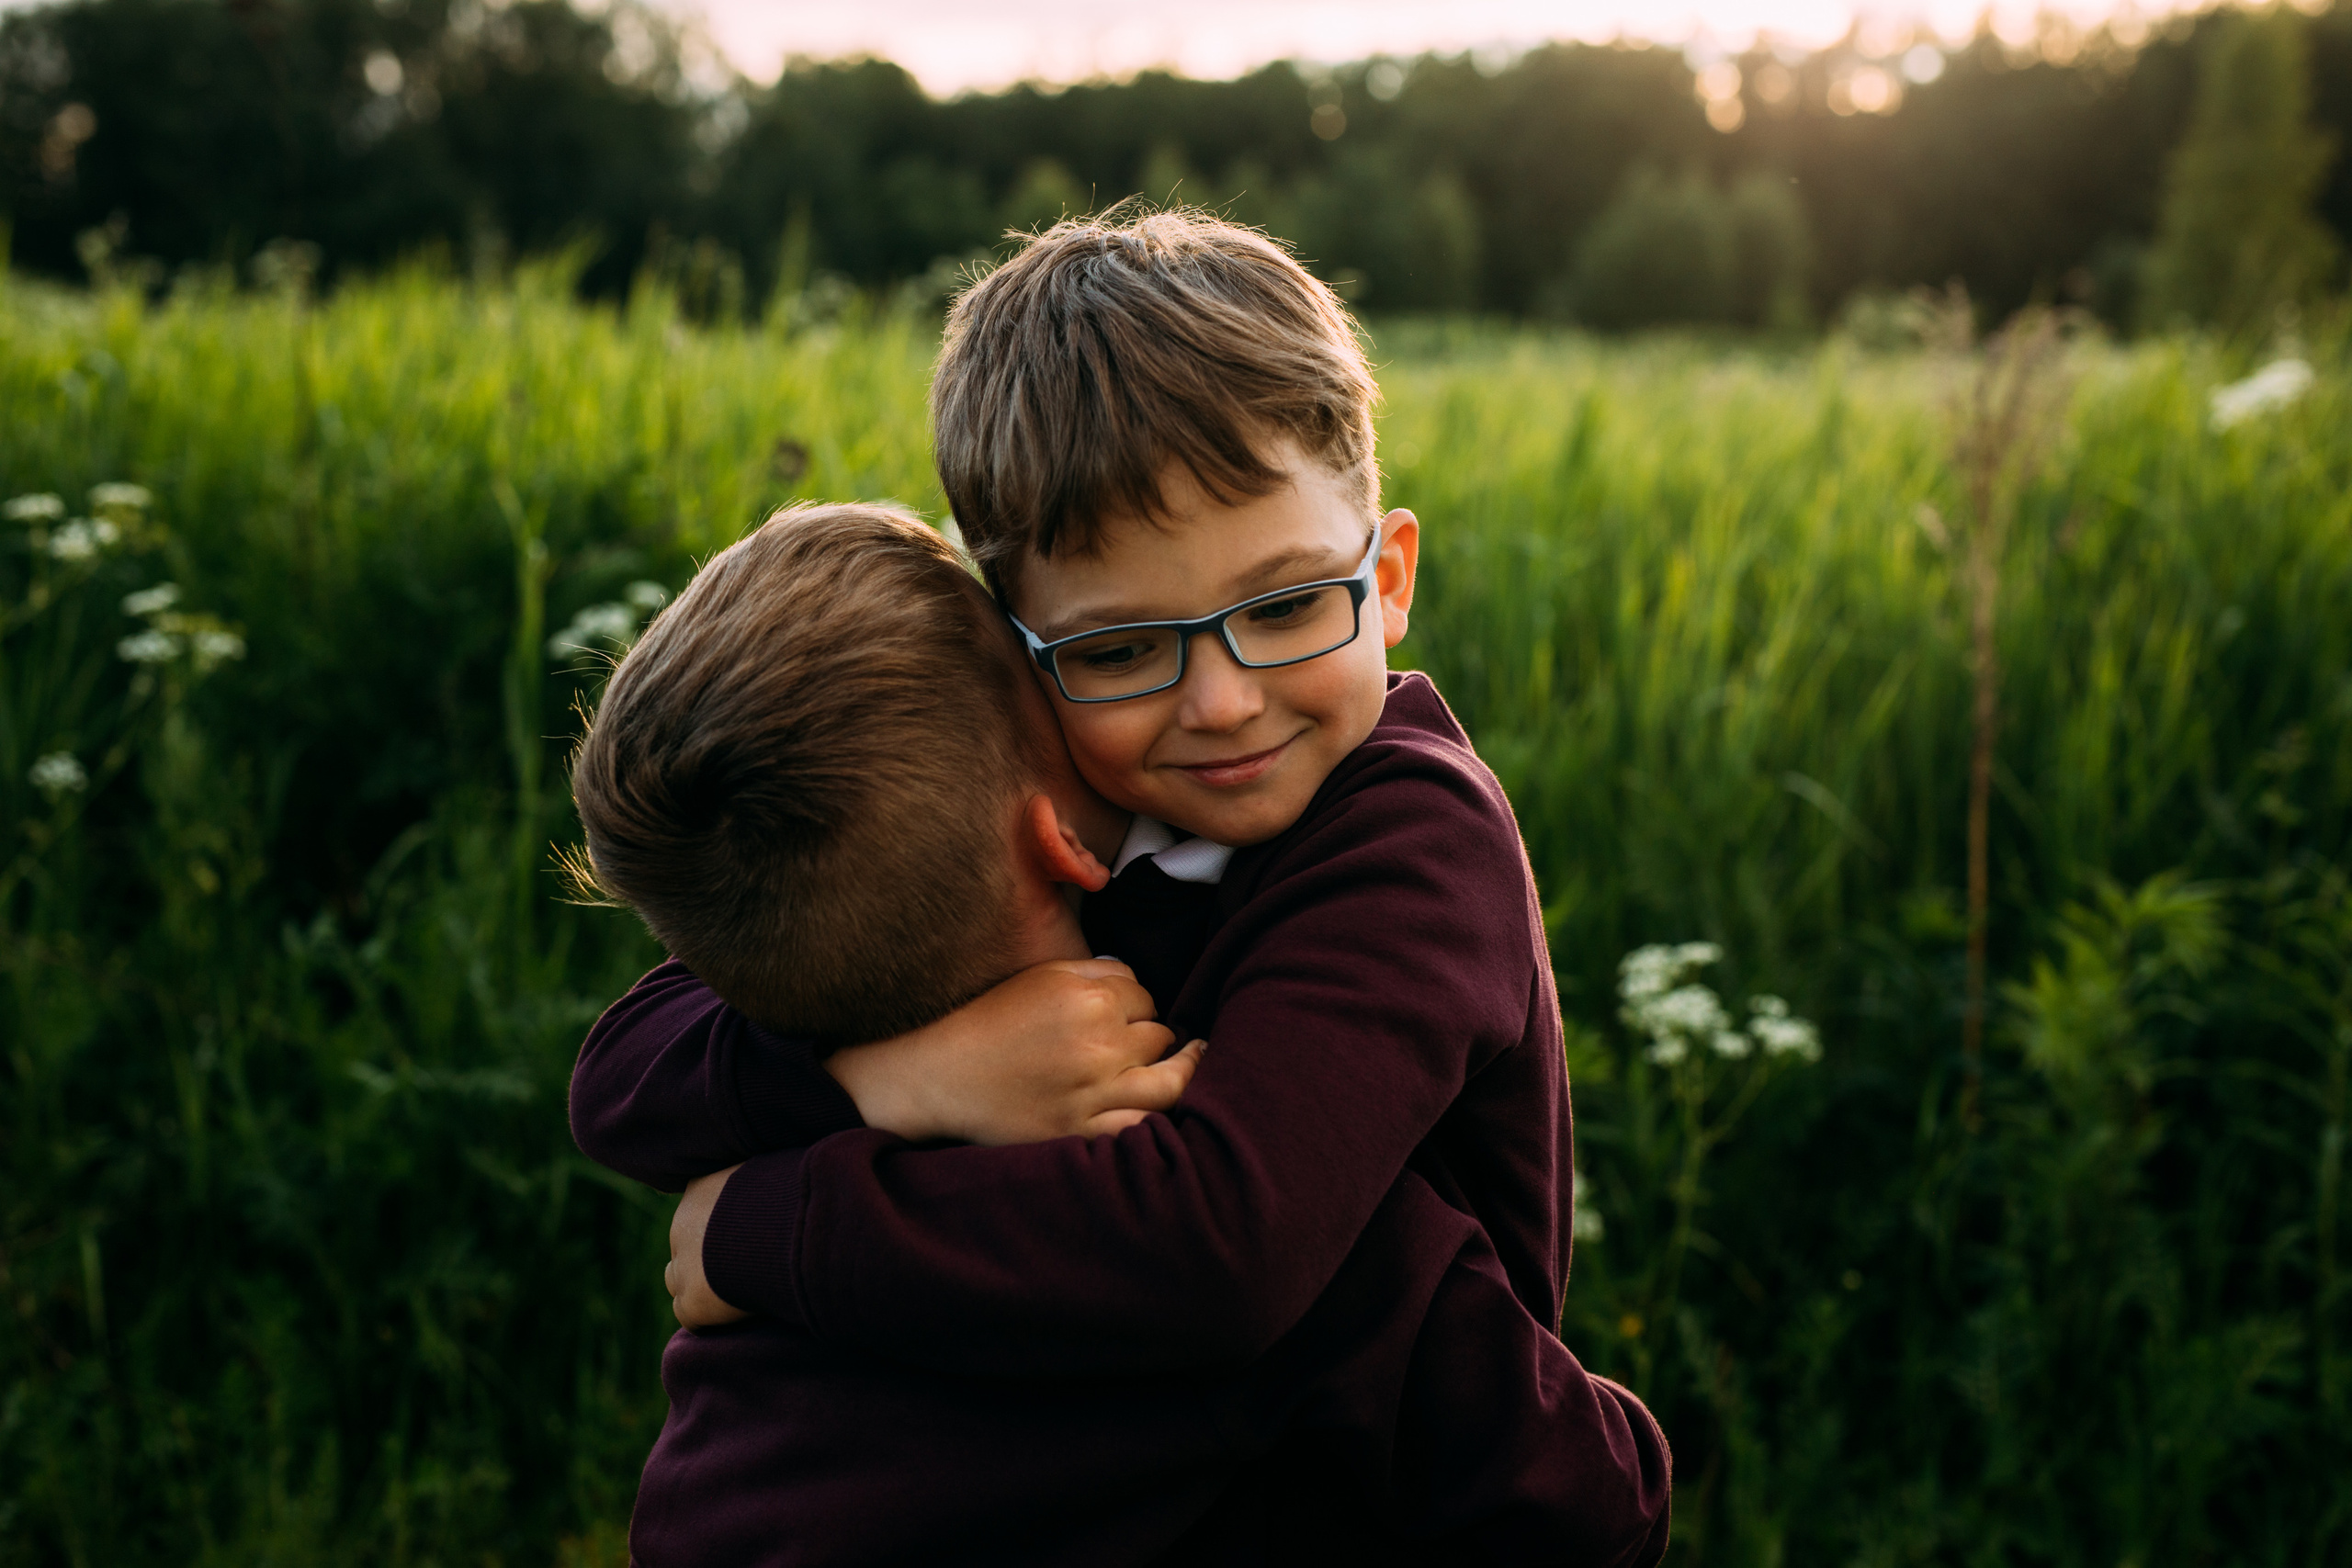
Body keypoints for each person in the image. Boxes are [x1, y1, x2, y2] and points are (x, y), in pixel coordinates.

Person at [572, 212, 1669, 1561]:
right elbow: (627, 1071)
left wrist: (768, 1224)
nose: (1220, 704)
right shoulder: (1046, 810)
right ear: (1017, 651)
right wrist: (903, 1081)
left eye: (1284, 609)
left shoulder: (1408, 841)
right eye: (1121, 648)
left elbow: (1221, 1243)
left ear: (1385, 579)